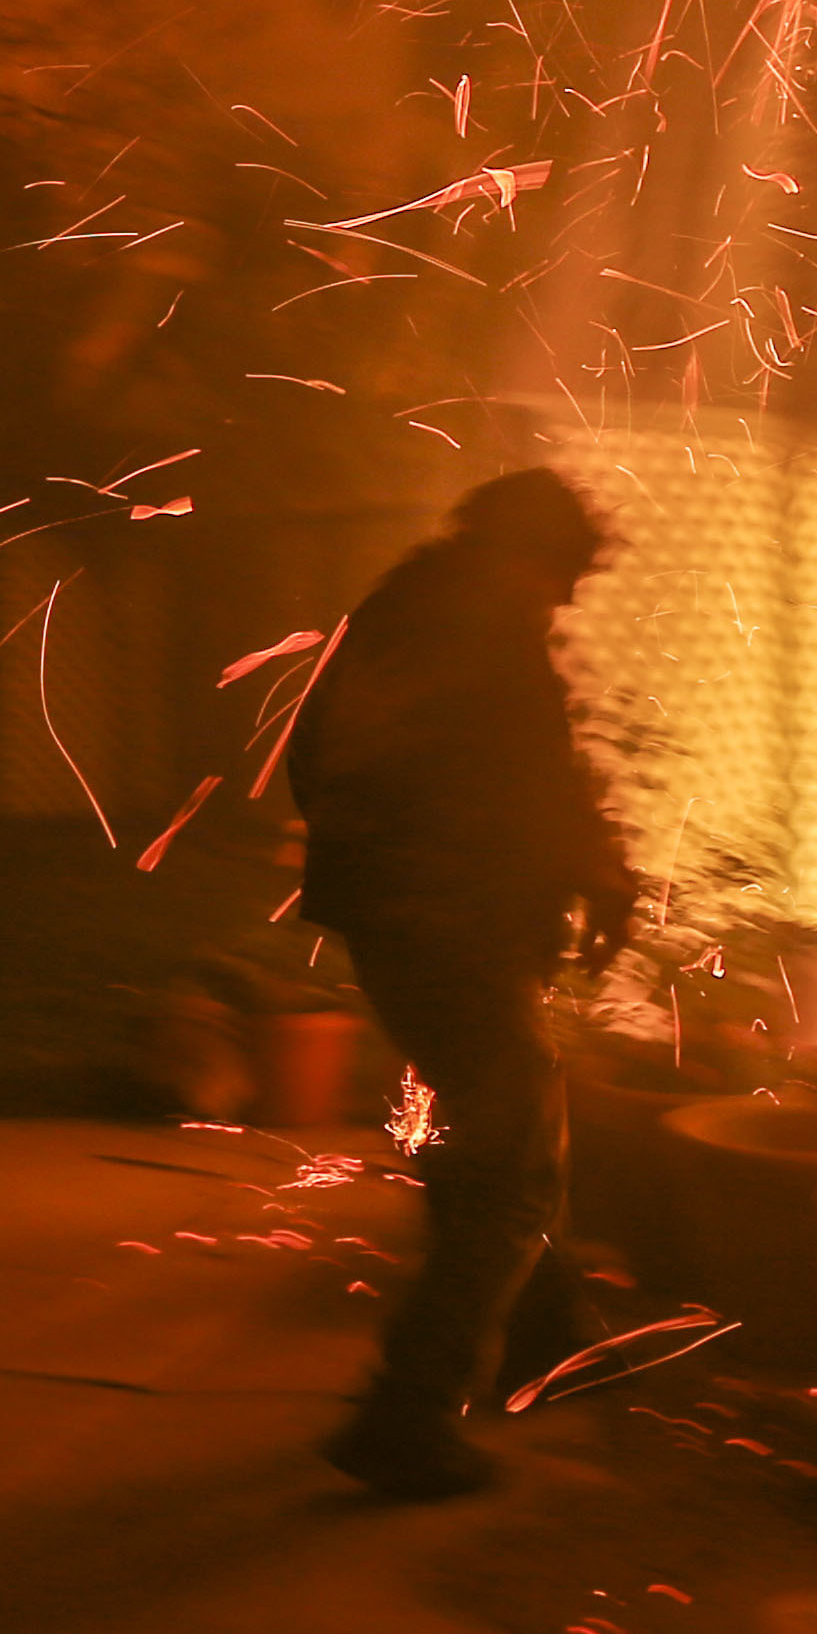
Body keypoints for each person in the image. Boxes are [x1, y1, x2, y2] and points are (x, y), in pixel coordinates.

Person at [280, 464, 635, 1497]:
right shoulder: (484, 623)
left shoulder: (401, 605)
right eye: (566, 573)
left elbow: (313, 753)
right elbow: (526, 779)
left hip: (397, 917)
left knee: (504, 1126)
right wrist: (596, 875)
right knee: (516, 1156)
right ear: (531, 552)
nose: (568, 596)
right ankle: (407, 1413)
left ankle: (548, 1339)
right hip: (452, 926)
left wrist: (364, 860)